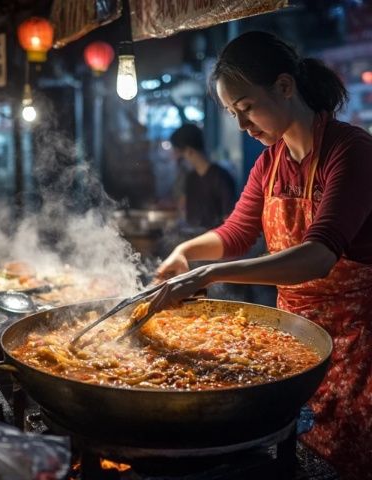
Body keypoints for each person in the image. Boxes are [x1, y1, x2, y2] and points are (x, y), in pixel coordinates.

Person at [151, 31, 372, 480]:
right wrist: (186, 252)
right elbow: (236, 233)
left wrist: (207, 274)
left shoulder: (350, 151)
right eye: (233, 113)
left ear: (285, 86)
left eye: (247, 107)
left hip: (358, 347)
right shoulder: (269, 163)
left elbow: (317, 257)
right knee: (299, 455)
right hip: (295, 346)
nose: (241, 125)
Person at [170, 123, 236, 230]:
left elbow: (229, 219)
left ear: (189, 151)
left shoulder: (221, 177)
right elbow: (185, 210)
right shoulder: (190, 178)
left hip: (215, 241)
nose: (177, 159)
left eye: (178, 153)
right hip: (192, 238)